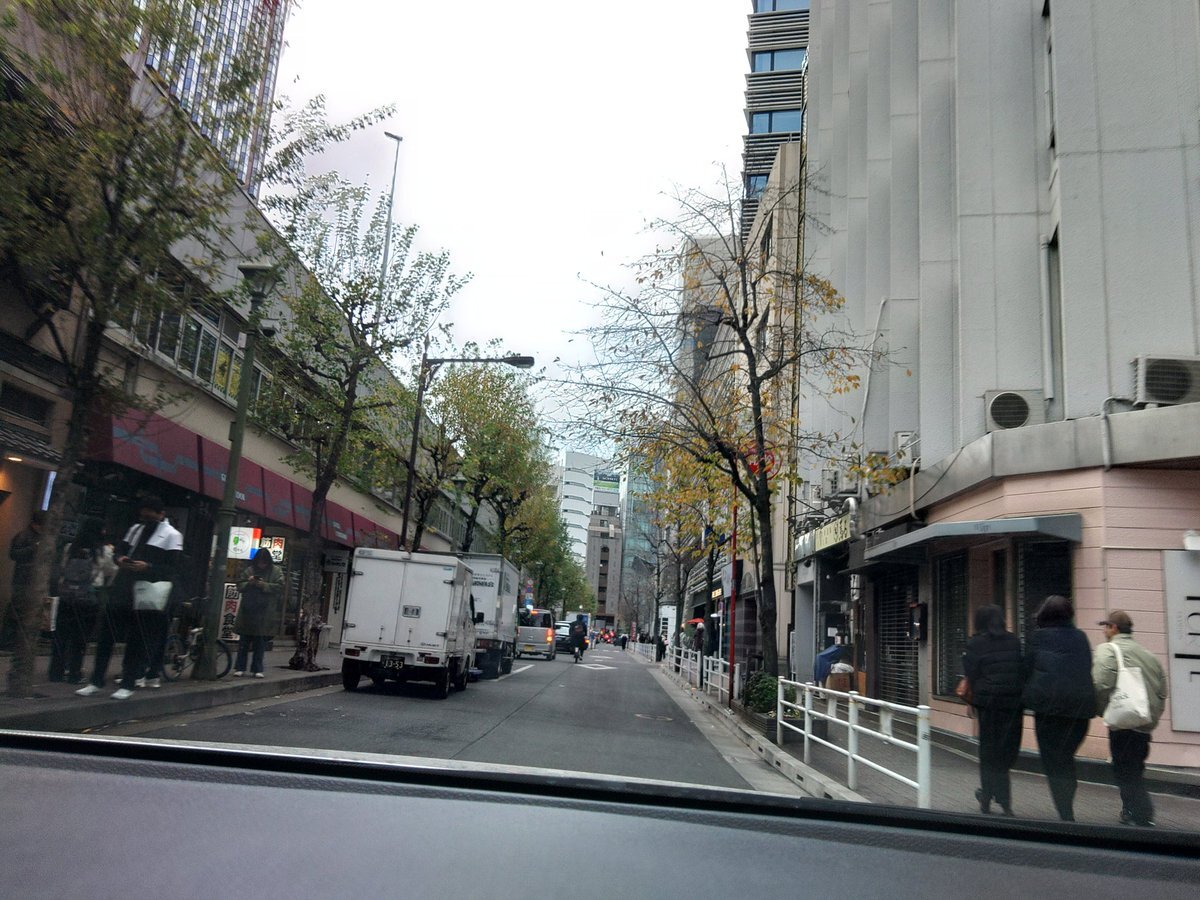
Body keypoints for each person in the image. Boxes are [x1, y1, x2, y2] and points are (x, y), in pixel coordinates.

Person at [77, 495, 182, 699]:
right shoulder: (135, 529)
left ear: (161, 515)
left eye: (150, 517)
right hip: (124, 586)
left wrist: (148, 567)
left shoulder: (171, 535)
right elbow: (120, 550)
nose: (146, 520)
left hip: (147, 590)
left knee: (137, 639)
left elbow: (172, 568)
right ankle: (96, 680)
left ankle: (129, 681)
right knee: (107, 636)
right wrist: (120, 558)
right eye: (143, 516)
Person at [1021, 595, 1096, 822]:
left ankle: (1065, 812)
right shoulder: (1081, 637)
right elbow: (1087, 666)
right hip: (1079, 710)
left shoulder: (1038, 637)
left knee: (1053, 761)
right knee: (1066, 757)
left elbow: (1026, 668)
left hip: (1048, 710)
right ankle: (1067, 807)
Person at [1092, 610, 1168, 828]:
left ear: (1114, 628)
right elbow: (1161, 691)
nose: (1104, 631)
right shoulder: (1149, 655)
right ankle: (1130, 810)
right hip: (1143, 724)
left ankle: (1143, 813)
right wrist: (1151, 718)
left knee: (1123, 769)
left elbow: (1101, 684)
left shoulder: (1108, 649)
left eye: (1106, 626)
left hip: (1122, 722)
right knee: (1135, 767)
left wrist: (1102, 711)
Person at [962, 605, 1024, 817]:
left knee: (988, 752)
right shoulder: (1014, 641)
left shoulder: (975, 643)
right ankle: (1004, 802)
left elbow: (970, 672)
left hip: (988, 704)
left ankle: (986, 799)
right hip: (1012, 705)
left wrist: (971, 702)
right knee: (1005, 752)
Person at [48, 518, 117, 684]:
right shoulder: (103, 551)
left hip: (67, 596)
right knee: (80, 638)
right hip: (88, 598)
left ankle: (56, 671)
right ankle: (74, 673)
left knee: (61, 636)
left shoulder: (70, 547)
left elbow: (63, 567)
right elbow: (112, 571)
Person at [233, 548, 283, 678]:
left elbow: (280, 587)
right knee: (243, 642)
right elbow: (239, 585)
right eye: (259, 562)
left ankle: (257, 669)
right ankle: (240, 667)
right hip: (248, 611)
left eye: (264, 562)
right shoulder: (249, 570)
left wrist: (263, 585)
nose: (261, 565)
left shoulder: (276, 572)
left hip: (265, 612)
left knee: (260, 643)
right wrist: (249, 583)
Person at [4, 510, 45, 648]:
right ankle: (7, 640)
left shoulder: (42, 537)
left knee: (25, 611)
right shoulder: (24, 536)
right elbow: (14, 554)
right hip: (22, 579)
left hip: (33, 579)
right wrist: (33, 548)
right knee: (16, 609)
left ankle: (16, 640)